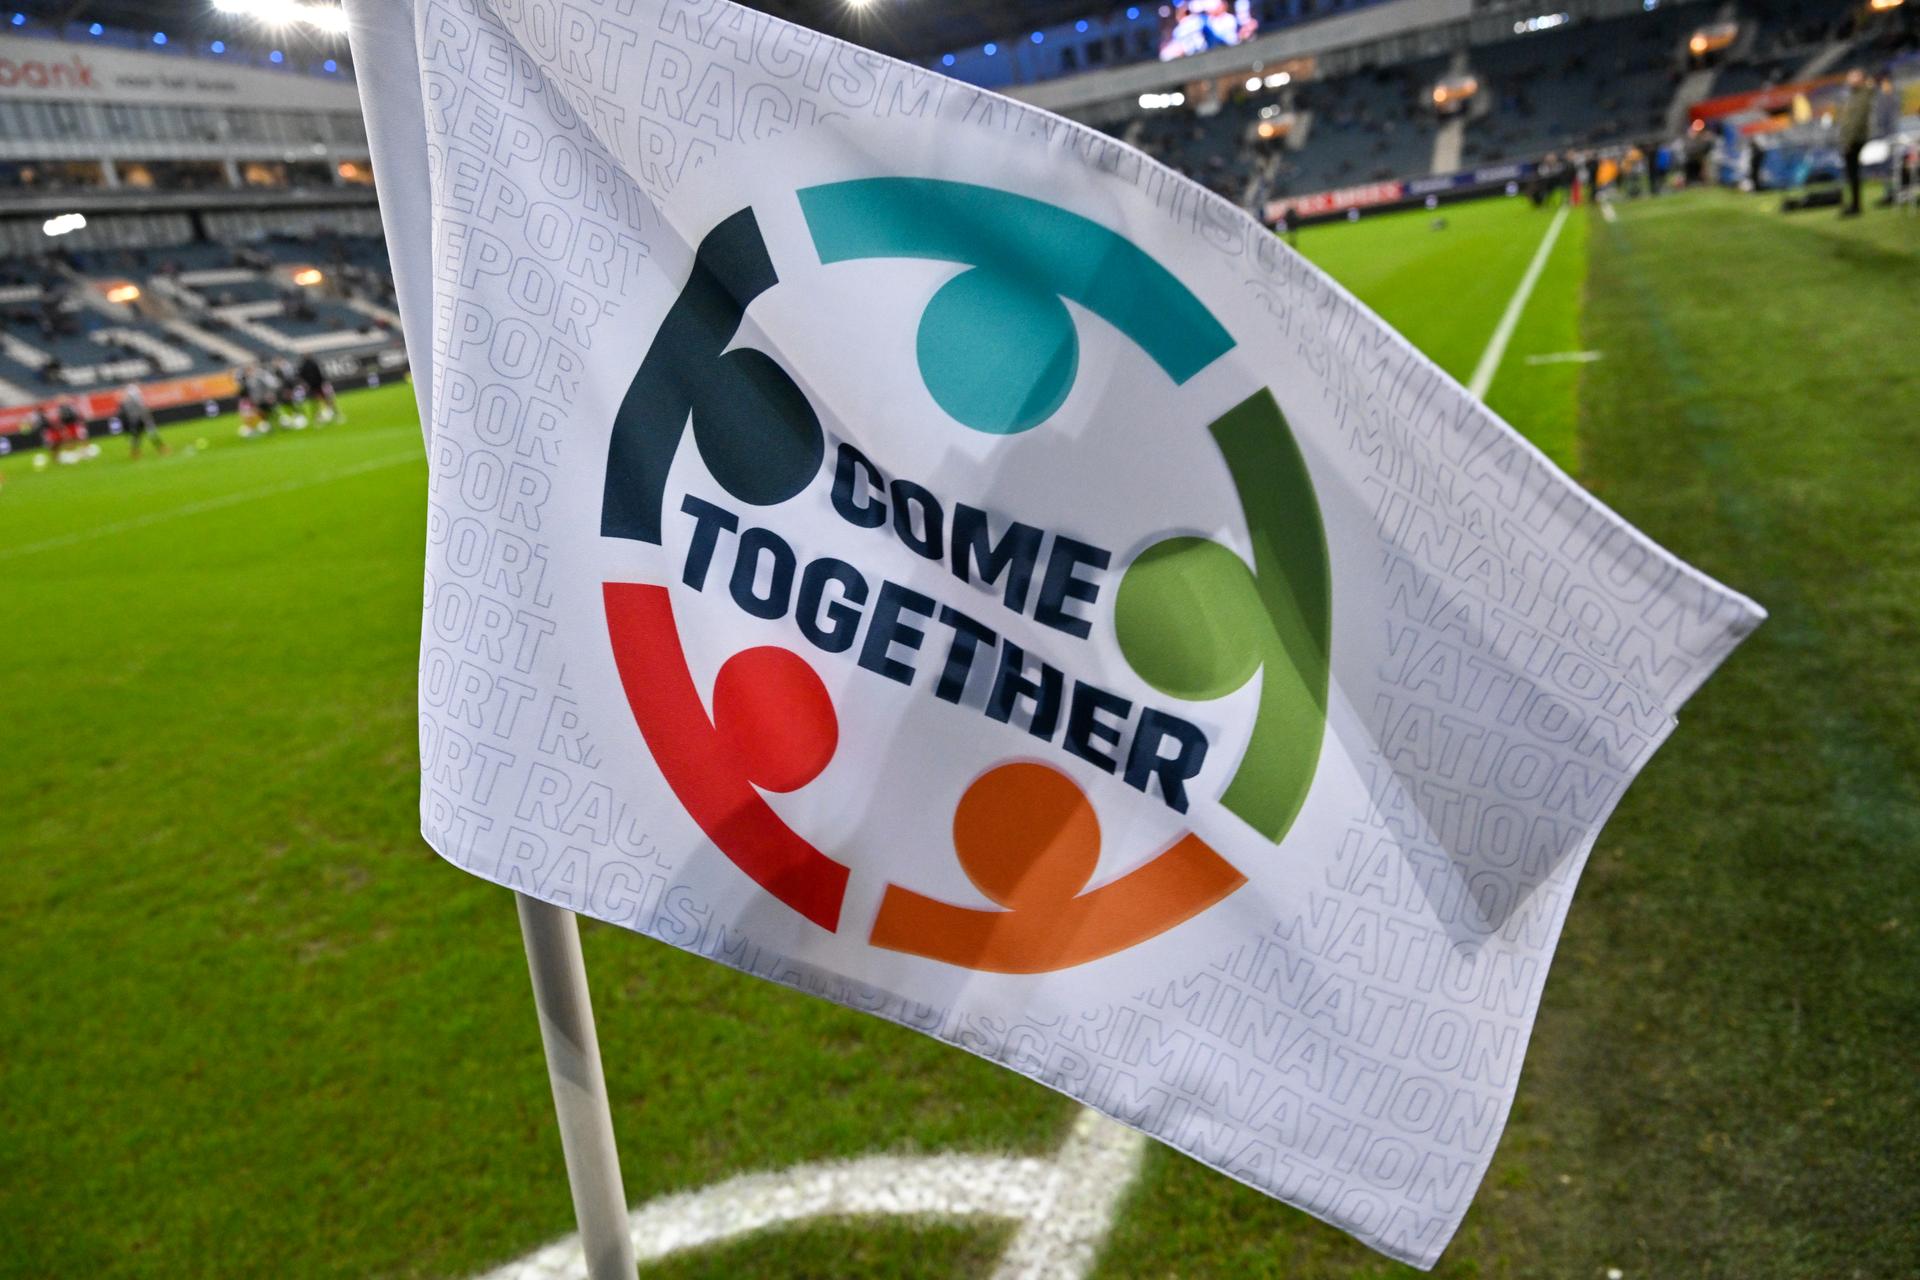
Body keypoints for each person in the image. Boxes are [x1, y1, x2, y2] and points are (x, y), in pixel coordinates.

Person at [1838, 68, 1876, 217]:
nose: (1850, 79)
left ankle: (1855, 206)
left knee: (1853, 172)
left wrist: (1848, 140)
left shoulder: (1862, 95)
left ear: (1860, 78)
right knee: (1851, 173)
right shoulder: (1854, 95)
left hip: (1855, 139)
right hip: (1852, 138)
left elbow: (1857, 121)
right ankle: (1854, 204)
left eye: (1853, 76)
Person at [120, 383, 167, 459]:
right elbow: (143, 411)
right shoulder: (134, 401)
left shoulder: (127, 402)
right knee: (150, 434)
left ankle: (136, 452)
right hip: (141, 420)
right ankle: (161, 448)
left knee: (138, 436)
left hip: (136, 421)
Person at [296, 354, 343, 425]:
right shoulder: (313, 363)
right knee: (326, 400)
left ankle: (318, 418)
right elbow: (320, 374)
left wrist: (306, 385)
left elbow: (301, 376)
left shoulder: (303, 366)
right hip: (318, 385)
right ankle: (335, 415)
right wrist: (323, 382)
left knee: (316, 403)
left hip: (312, 386)